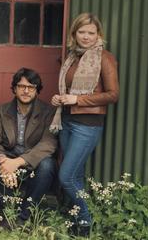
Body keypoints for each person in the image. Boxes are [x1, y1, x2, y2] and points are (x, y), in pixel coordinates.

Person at [50, 13, 119, 236]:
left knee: (66, 176)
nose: (86, 37)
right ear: (74, 34)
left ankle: (85, 222)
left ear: (99, 34)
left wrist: (77, 100)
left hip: (88, 125)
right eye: (82, 32)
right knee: (75, 175)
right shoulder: (71, 56)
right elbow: (67, 90)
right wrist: (60, 98)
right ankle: (76, 224)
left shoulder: (105, 58)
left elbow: (112, 95)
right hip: (67, 120)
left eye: (91, 32)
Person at [0, 68, 57, 226]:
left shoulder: (48, 112)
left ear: (37, 90)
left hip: (32, 163)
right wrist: (3, 161)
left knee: (48, 164)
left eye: (31, 87)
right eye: (21, 86)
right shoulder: (2, 110)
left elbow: (48, 144)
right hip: (8, 160)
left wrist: (18, 162)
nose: (26, 91)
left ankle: (23, 216)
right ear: (14, 89)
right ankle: (8, 210)